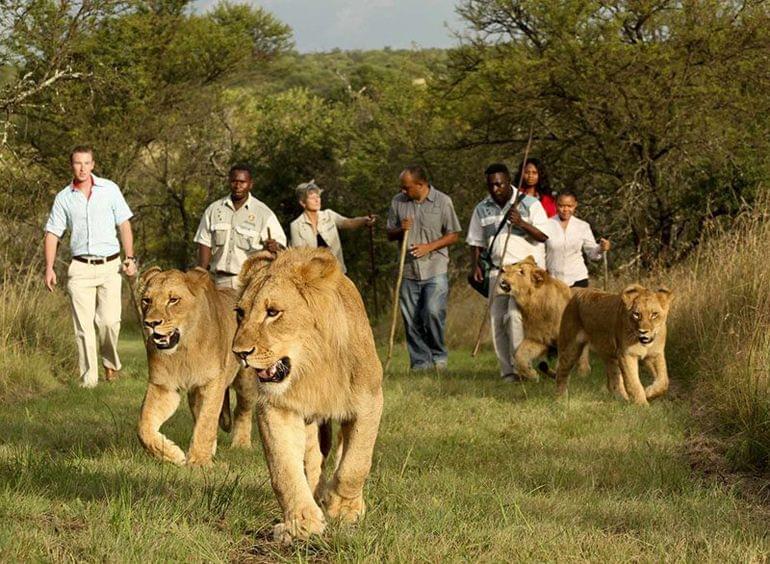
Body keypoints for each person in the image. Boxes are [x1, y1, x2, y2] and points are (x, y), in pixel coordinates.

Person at [44, 145, 137, 388]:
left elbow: (124, 225)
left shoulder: (110, 190)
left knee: (109, 322)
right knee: (83, 327)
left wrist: (130, 257)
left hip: (110, 265)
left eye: (86, 163)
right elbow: (53, 233)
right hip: (80, 268)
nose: (82, 168)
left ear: (93, 165)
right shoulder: (64, 197)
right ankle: (89, 380)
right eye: (77, 163)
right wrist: (49, 267)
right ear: (71, 165)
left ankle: (110, 363)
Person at [467, 163, 549, 382]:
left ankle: (523, 365)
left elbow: (543, 236)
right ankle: (508, 371)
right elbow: (475, 241)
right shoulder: (481, 208)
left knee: (514, 317)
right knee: (497, 322)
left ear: (508, 182)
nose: (495, 189)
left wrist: (521, 222)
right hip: (498, 271)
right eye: (491, 185)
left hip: (523, 272)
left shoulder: (530, 204)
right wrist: (475, 265)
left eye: (499, 184)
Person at [386, 165, 461, 370]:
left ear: (421, 185)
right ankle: (420, 362)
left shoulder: (443, 202)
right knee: (411, 318)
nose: (403, 191)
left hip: (435, 268)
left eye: (406, 187)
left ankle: (439, 356)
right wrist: (400, 229)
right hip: (408, 271)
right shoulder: (398, 202)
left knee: (433, 311)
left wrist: (429, 247)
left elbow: (454, 234)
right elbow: (389, 234)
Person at [195, 164, 286, 288]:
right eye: (234, 181)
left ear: (250, 184)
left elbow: (281, 245)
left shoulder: (264, 213)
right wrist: (200, 275)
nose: (238, 186)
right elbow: (204, 243)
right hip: (218, 281)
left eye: (242, 182)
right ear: (229, 182)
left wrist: (276, 246)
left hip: (248, 283)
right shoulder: (214, 209)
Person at [289, 179, 376, 273]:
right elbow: (298, 256)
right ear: (303, 203)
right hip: (314, 276)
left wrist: (364, 220)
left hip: (337, 272)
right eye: (312, 197)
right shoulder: (296, 225)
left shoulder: (329, 215)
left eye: (318, 196)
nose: (317, 200)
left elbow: (348, 222)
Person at [544, 190, 610, 288]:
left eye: (569, 206)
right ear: (556, 205)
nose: (565, 209)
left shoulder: (582, 226)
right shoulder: (546, 224)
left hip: (577, 279)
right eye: (561, 206)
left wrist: (601, 248)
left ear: (575, 205)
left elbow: (592, 252)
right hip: (553, 281)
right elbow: (539, 250)